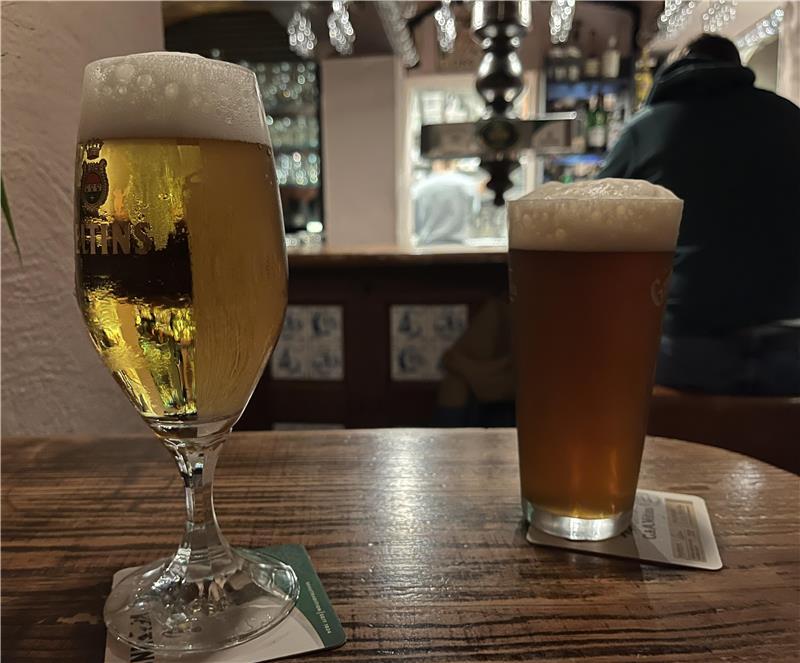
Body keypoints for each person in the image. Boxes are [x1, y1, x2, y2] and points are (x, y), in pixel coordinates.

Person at [597, 34, 800, 396]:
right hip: (790, 331)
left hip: (686, 334)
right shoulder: (789, 117)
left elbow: (593, 212)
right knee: (779, 447)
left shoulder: (645, 129)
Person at [412, 160, 480, 246]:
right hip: (460, 248)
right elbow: (474, 214)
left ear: (434, 163)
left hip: (429, 249)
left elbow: (415, 223)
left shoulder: (420, 188)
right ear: (454, 163)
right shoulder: (469, 186)